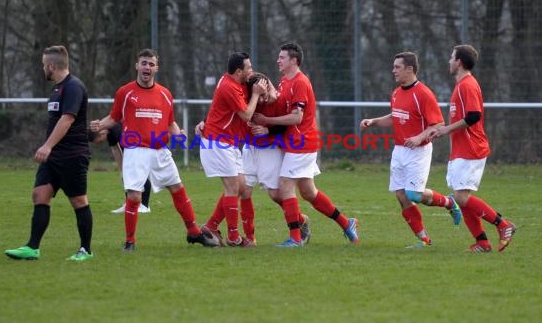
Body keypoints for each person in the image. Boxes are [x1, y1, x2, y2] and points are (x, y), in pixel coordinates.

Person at [90, 48, 218, 251]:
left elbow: (171, 123)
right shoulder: (125, 92)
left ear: (156, 68)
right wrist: (99, 125)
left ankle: (193, 232)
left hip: (160, 150)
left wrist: (178, 135)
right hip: (135, 150)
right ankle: (130, 242)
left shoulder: (165, 94)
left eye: (151, 64)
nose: (147, 67)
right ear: (137, 66)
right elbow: (114, 118)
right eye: (143, 63)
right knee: (134, 197)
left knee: (177, 188)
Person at [252, 43, 358, 247]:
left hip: (301, 143)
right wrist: (268, 126)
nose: (278, 60)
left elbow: (296, 117)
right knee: (309, 193)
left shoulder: (300, 82)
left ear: (294, 60)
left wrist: (266, 121)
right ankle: (347, 223)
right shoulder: (284, 81)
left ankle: (295, 238)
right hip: (292, 143)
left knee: (285, 187)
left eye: (282, 57)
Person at [360, 51, 462, 248]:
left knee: (414, 194)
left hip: (419, 151)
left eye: (397, 67)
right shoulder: (397, 92)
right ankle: (423, 239)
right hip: (399, 150)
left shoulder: (424, 93)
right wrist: (373, 121)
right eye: (394, 67)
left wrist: (419, 137)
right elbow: (394, 116)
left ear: (410, 69)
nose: (393, 71)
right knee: (401, 195)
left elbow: (438, 124)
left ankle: (449, 203)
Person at [4, 45, 94, 261]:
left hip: (73, 155)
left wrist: (47, 146)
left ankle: (86, 250)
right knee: (40, 195)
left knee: (79, 201)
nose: (42, 68)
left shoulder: (73, 87)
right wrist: (50, 149)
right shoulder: (56, 89)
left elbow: (67, 119)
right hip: (54, 157)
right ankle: (32, 248)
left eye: (44, 65)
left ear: (52, 66)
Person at [428, 44, 516, 253]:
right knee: (461, 197)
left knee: (460, 198)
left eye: (451, 57)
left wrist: (447, 129)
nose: (449, 61)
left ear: (459, 62)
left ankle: (503, 225)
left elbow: (474, 115)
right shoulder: (460, 85)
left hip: (471, 148)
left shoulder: (467, 85)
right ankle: (482, 242)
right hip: (462, 149)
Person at [198, 52, 266, 247]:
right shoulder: (229, 86)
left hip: (228, 143)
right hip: (217, 143)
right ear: (239, 72)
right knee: (232, 188)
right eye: (249, 68)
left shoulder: (235, 82)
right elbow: (245, 114)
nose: (251, 70)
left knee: (242, 187)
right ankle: (234, 238)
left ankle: (211, 226)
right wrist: (256, 95)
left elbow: (218, 110)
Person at [88, 124, 152, 213]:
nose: (99, 143)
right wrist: (122, 170)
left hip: (139, 147)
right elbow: (115, 150)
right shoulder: (110, 134)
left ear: (101, 133)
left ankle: (145, 206)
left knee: (140, 175)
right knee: (127, 176)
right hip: (129, 151)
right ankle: (129, 205)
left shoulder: (116, 129)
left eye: (98, 141)